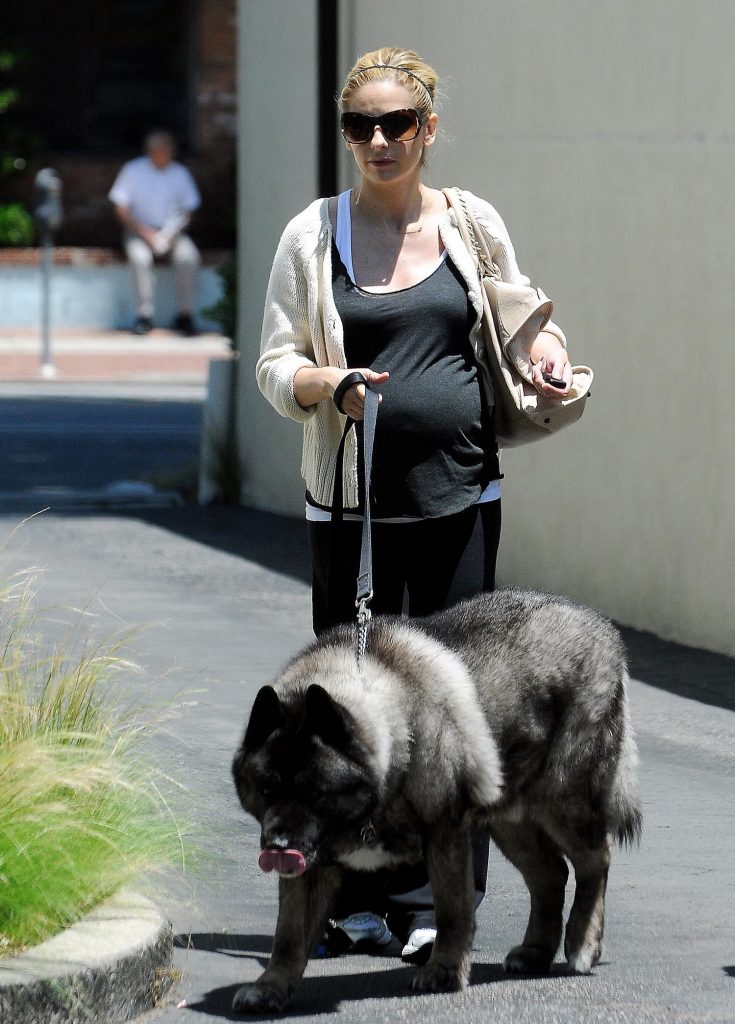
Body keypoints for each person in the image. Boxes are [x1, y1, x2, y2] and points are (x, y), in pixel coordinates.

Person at [256, 47, 573, 965]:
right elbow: (275, 364)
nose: (379, 141)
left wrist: (544, 354)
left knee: (450, 713)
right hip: (350, 511)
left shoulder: (471, 223)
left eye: (397, 124)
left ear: (427, 130)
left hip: (460, 497)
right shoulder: (311, 237)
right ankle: (353, 895)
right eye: (360, 126)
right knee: (344, 714)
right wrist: (326, 383)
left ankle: (444, 904)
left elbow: (521, 317)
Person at [109, 130, 201, 336]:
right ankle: (144, 316)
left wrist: (171, 234)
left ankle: (184, 315)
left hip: (173, 233)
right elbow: (121, 207)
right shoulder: (133, 170)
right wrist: (145, 233)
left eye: (168, 149)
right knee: (139, 258)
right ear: (151, 151)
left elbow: (189, 209)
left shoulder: (180, 173)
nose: (166, 153)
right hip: (139, 232)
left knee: (189, 257)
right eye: (161, 149)